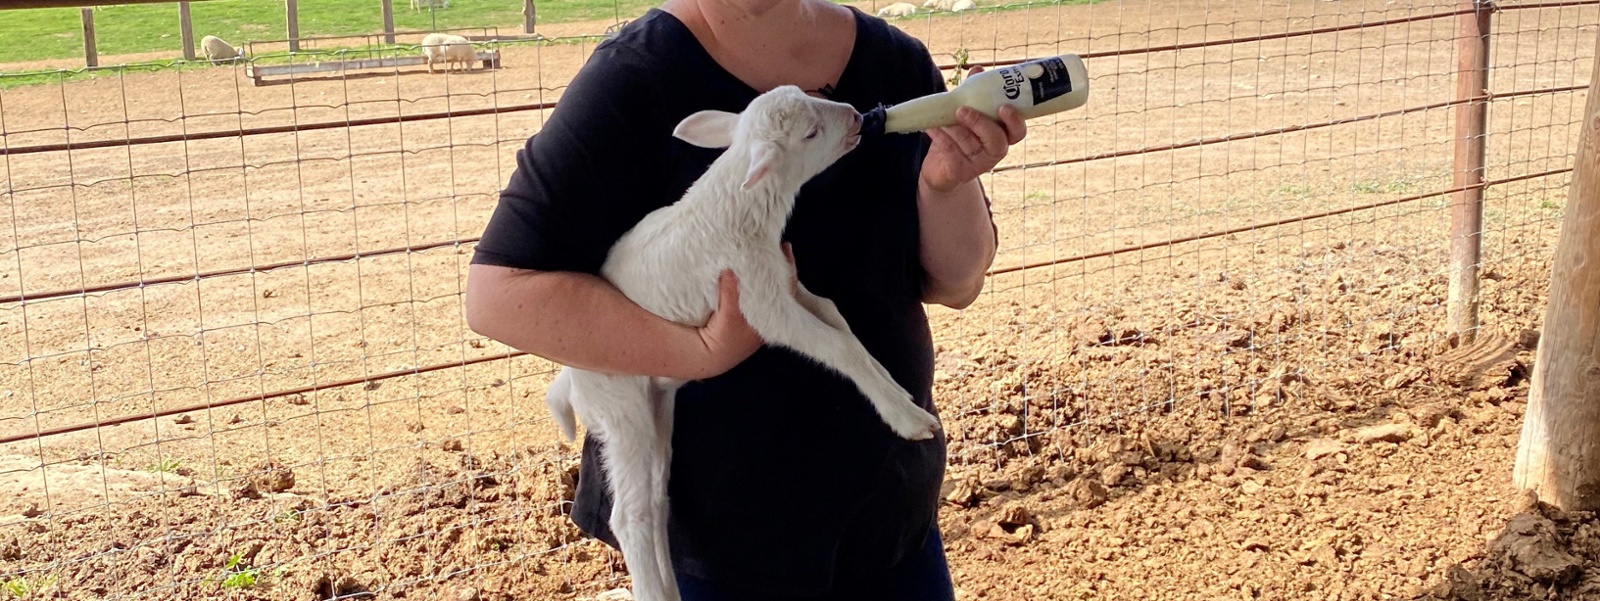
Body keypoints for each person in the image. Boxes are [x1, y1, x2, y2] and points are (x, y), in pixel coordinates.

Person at [463, 0, 1026, 596]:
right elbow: (498, 294)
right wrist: (702, 352)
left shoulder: (894, 62)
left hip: (888, 518)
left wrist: (945, 181)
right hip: (730, 551)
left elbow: (957, 283)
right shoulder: (634, 78)